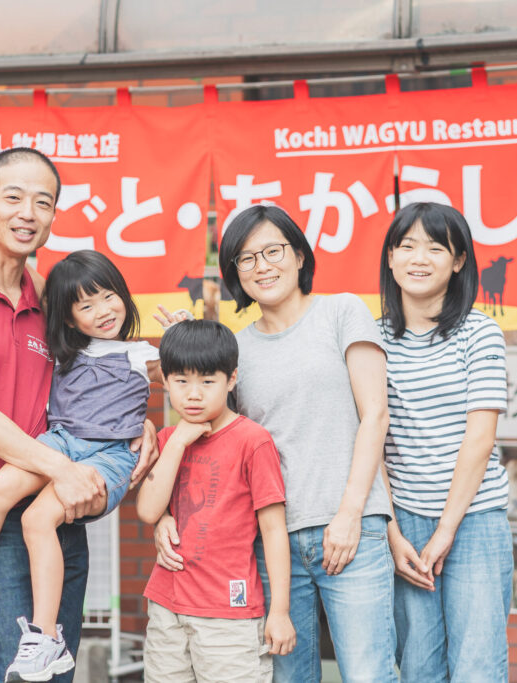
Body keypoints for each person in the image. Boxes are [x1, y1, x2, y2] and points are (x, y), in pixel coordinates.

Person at [0, 147, 157, 683]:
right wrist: (64, 468)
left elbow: (101, 370)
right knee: (16, 671)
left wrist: (139, 423)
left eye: (43, 202)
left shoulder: (51, 299)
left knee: (50, 666)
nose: (28, 213)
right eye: (13, 197)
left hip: (56, 500)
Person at [155, 205, 396, 682]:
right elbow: (205, 441)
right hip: (270, 542)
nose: (261, 266)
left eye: (273, 252)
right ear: (235, 273)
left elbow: (375, 416)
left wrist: (350, 515)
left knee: (368, 674)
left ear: (300, 256)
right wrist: (164, 515)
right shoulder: (235, 350)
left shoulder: (341, 311)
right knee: (287, 677)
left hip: (351, 529)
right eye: (246, 258)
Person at [378, 202, 512, 682]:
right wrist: (392, 533)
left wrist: (446, 529)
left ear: (458, 262)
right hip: (405, 522)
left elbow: (480, 438)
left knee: (478, 666)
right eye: (407, 246)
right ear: (390, 257)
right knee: (417, 666)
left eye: (435, 248)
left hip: (474, 518)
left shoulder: (480, 332)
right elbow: (370, 443)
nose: (419, 258)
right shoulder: (371, 340)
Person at [135, 320, 295, 682]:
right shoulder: (169, 439)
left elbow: (273, 530)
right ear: (165, 381)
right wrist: (177, 442)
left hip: (228, 615)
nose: (193, 394)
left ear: (231, 379)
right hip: (167, 606)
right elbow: (147, 510)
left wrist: (280, 611)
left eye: (207, 382)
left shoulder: (252, 441)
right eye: (181, 381)